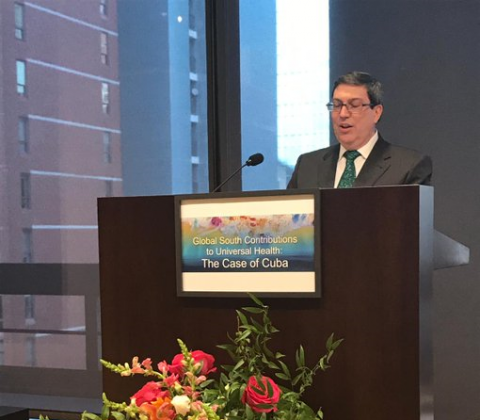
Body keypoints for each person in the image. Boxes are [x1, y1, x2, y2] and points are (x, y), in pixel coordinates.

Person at [287, 71, 432, 189]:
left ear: (376, 112)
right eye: (337, 105)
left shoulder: (408, 166)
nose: (343, 114)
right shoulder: (308, 165)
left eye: (354, 105)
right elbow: (289, 216)